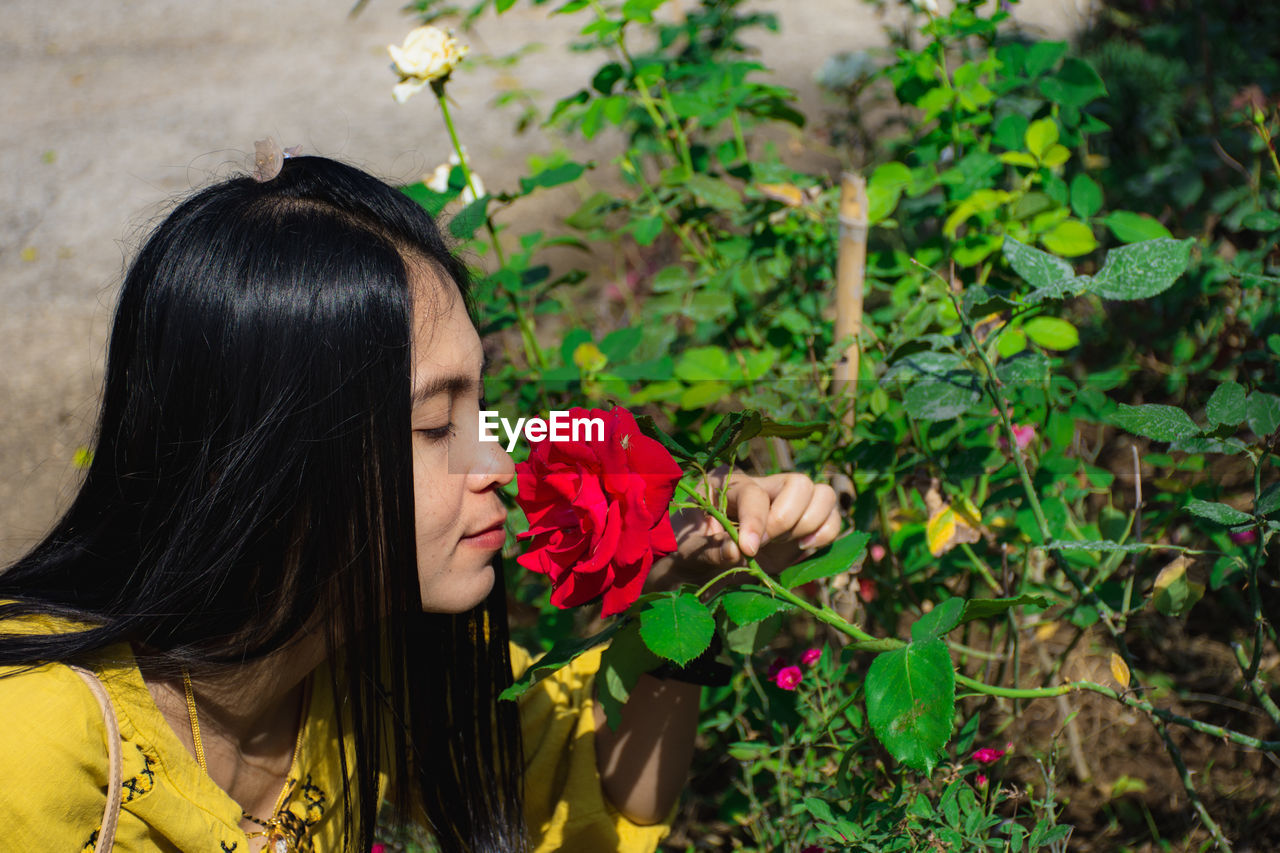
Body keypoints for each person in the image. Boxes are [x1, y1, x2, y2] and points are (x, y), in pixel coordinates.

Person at [0, 155, 840, 853]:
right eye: (438, 421)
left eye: (482, 406)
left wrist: (685, 596)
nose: (500, 464)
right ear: (261, 461)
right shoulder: (33, 748)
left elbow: (586, 788)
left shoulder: (359, 662)